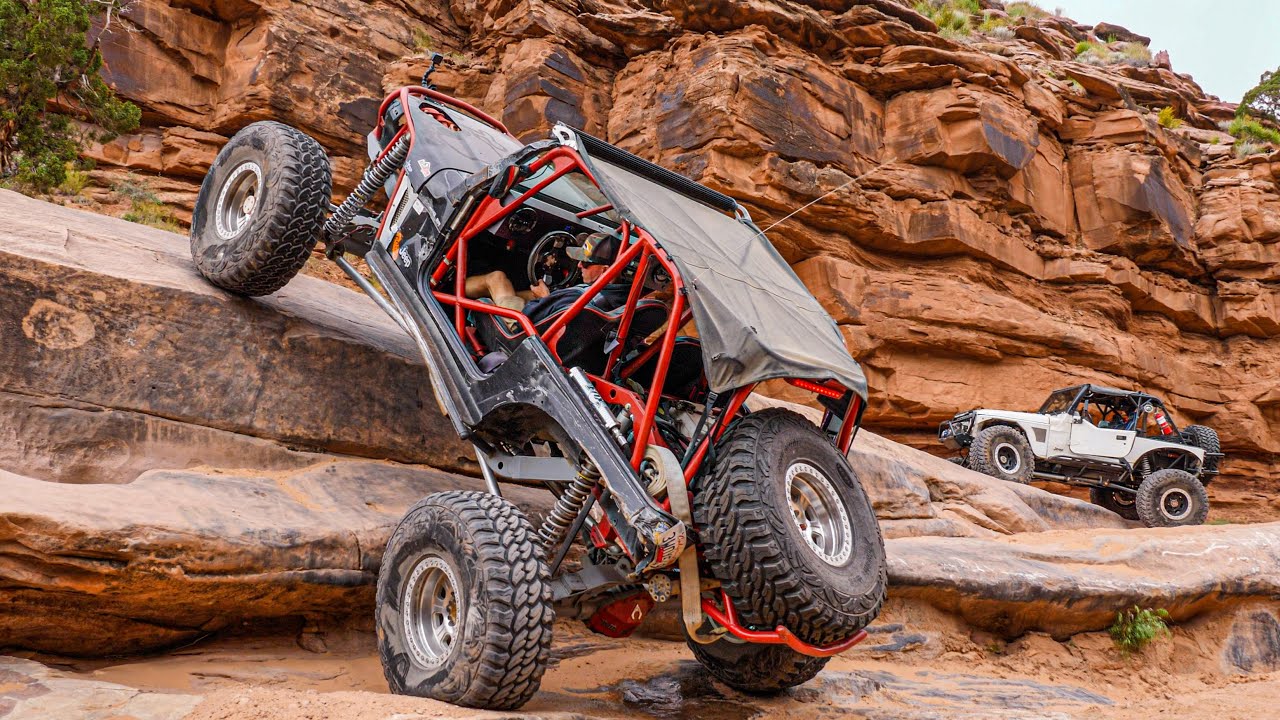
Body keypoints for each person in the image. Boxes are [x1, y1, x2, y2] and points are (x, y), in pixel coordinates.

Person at [464, 231, 627, 325]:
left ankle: (453, 288)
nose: (578, 266)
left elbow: (531, 315)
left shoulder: (578, 296)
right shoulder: (623, 299)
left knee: (496, 278)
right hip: (548, 326)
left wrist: (545, 298)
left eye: (585, 264)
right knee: (511, 291)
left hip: (520, 331)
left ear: (606, 270)